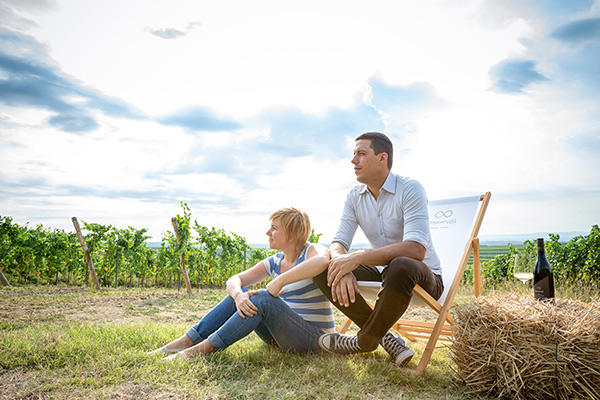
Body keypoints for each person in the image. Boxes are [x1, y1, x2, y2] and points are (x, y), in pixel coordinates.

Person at [313, 132, 443, 368]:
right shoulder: (354, 197)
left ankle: (363, 341)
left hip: (423, 278)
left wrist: (357, 258)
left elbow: (416, 249)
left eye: (361, 154)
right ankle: (385, 338)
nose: (354, 161)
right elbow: (338, 242)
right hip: (385, 273)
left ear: (382, 158)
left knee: (401, 263)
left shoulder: (410, 189)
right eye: (354, 155)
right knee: (323, 268)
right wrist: (342, 265)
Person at [149, 207, 335, 359]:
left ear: (293, 235)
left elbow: (322, 261)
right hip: (282, 339)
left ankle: (198, 351)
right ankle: (186, 341)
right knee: (242, 295)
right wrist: (238, 295)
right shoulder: (277, 260)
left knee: (261, 298)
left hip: (314, 340)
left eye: (274, 228)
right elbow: (234, 280)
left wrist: (279, 281)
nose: (268, 232)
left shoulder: (311, 250)